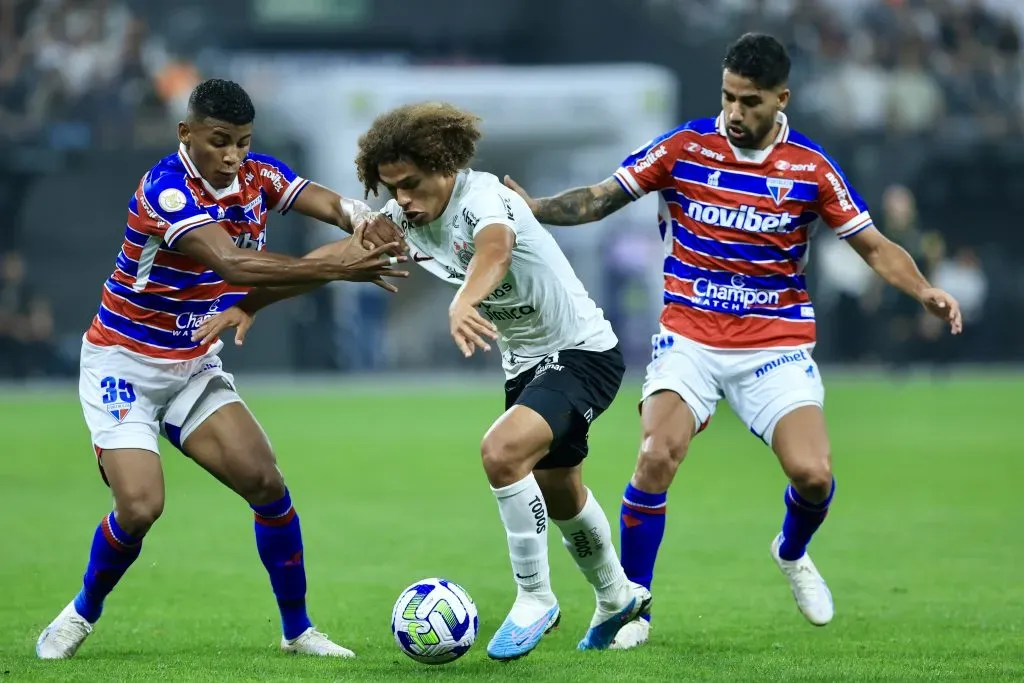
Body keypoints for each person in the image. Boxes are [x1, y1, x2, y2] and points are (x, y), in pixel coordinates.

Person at [502, 33, 962, 649]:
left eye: (749, 102)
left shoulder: (811, 168)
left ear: (780, 99)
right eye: (727, 97)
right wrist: (532, 207)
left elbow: (873, 244)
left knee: (814, 475)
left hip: (774, 344)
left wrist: (924, 290)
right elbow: (599, 198)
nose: (735, 113)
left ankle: (791, 551)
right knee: (656, 454)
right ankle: (634, 607)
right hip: (689, 335)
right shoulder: (687, 147)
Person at [193, 102, 651, 661]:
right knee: (560, 493)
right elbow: (338, 255)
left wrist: (464, 299)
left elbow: (496, 250)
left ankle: (536, 597)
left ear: (443, 164)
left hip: (581, 352)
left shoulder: (485, 198)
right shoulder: (404, 218)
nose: (402, 199)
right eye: (390, 187)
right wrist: (254, 302)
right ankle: (616, 595)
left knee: (501, 454)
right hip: (528, 365)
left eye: (409, 184)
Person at [35, 78, 408, 660]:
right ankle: (80, 612)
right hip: (123, 363)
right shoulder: (167, 190)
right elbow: (231, 261)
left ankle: (297, 631)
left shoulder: (257, 175)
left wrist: (361, 220)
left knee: (267, 482)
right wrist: (336, 269)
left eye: (242, 141)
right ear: (187, 134)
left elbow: (332, 205)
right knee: (140, 507)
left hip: (191, 361)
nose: (232, 156)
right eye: (219, 141)